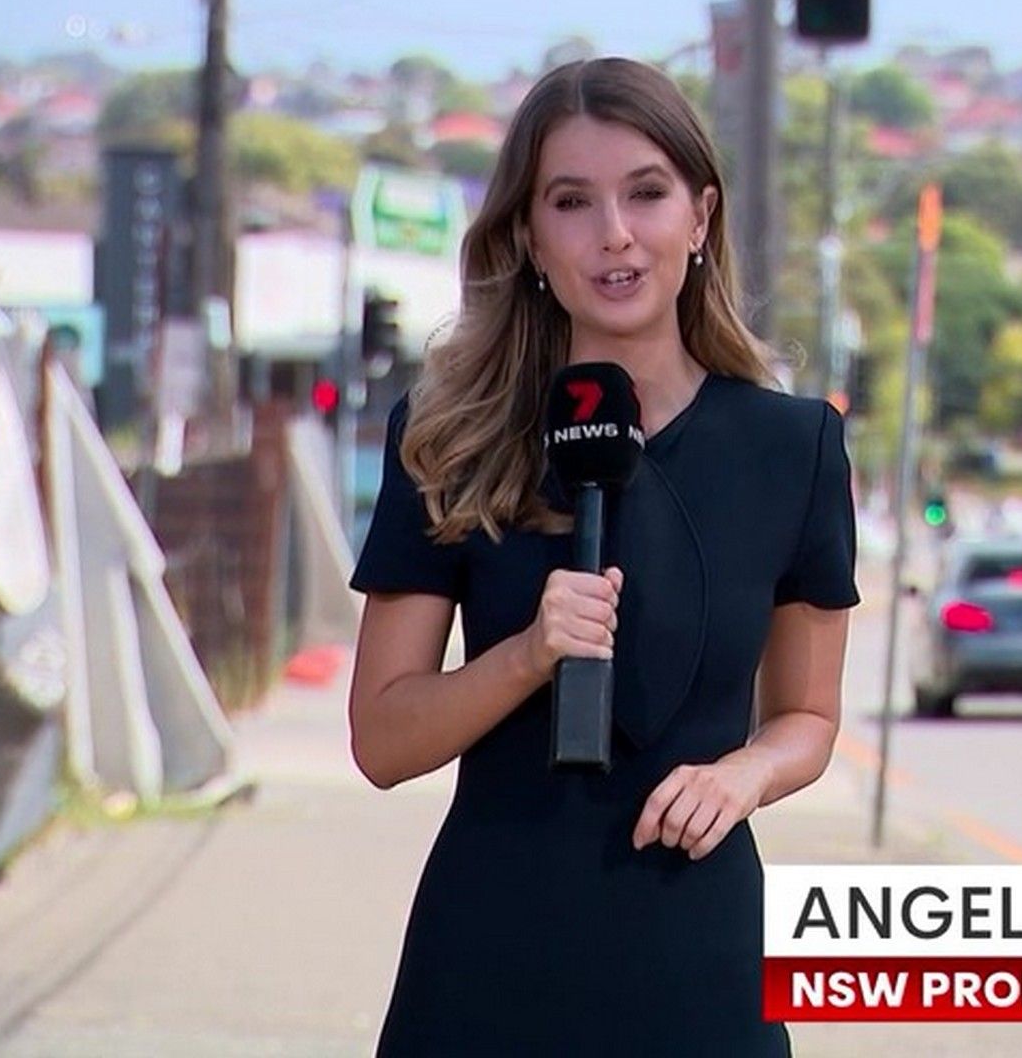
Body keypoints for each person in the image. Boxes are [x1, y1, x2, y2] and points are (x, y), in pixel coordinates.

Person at [346, 57, 858, 1056]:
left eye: (647, 193)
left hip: (700, 960)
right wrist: (526, 655)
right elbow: (381, 740)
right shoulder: (449, 437)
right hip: (489, 965)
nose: (614, 233)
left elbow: (810, 716)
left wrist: (745, 774)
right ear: (530, 237)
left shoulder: (793, 449)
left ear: (701, 217)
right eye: (572, 202)